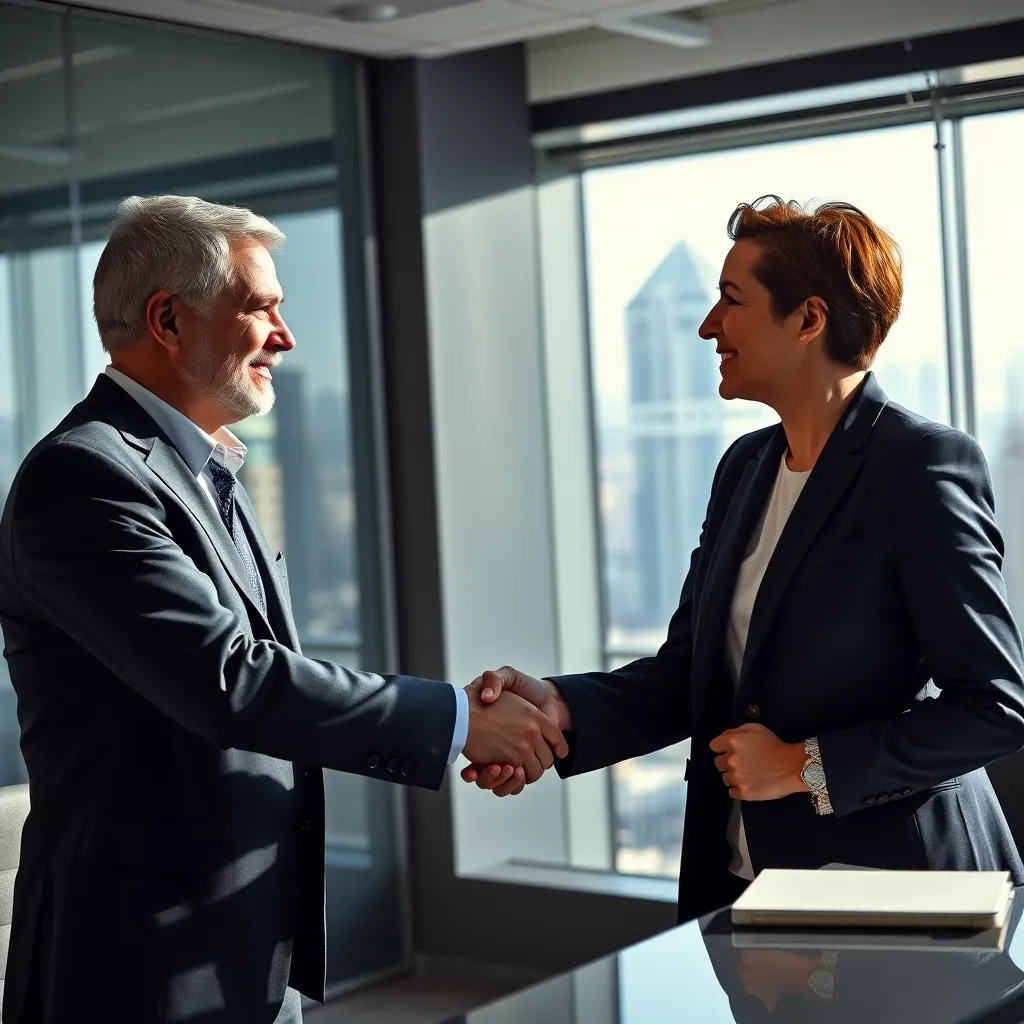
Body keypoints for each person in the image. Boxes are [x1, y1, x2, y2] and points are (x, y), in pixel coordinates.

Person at [0, 195, 567, 1024]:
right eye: (261, 306)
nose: (285, 336)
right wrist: (456, 720)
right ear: (168, 319)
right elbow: (233, 682)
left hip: (241, 941)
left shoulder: (207, 470)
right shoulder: (82, 478)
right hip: (136, 962)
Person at [464, 196, 1024, 923]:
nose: (708, 325)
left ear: (808, 320)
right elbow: (691, 674)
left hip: (898, 891)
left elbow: (995, 707)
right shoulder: (746, 466)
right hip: (747, 886)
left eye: (731, 300)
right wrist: (558, 708)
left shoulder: (918, 465)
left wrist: (805, 766)